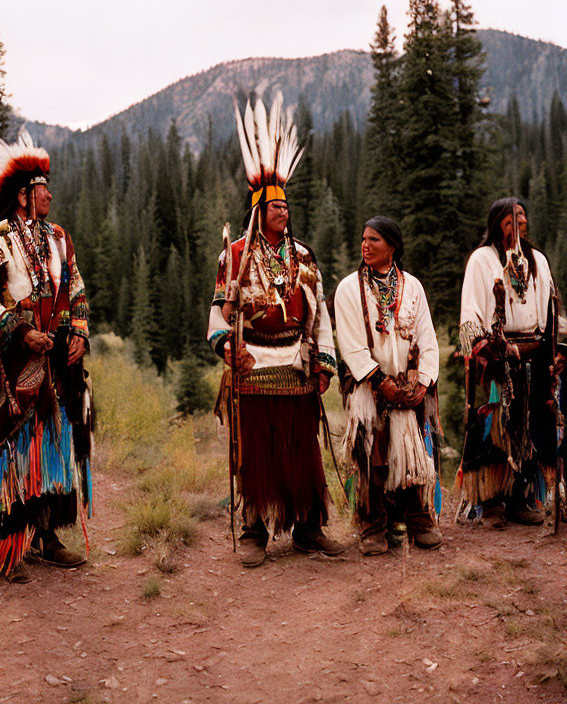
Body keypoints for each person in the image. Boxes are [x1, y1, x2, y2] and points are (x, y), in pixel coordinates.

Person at [208, 94, 343, 567]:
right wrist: (228, 346)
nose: (284, 211)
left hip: (296, 363)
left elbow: (319, 312)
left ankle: (308, 527)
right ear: (258, 211)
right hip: (253, 362)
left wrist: (324, 363)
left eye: (286, 205)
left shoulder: (303, 255)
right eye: (276, 207)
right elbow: (219, 310)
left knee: (302, 450)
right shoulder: (237, 253)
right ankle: (253, 531)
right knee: (255, 452)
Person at [0, 130, 93, 583]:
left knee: (54, 447)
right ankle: (11, 543)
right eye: (42, 188)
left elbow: (76, 289)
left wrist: (78, 330)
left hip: (56, 361)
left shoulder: (58, 238)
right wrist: (19, 331)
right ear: (22, 195)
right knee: (16, 450)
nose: (50, 194)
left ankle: (48, 536)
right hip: (14, 364)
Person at [335, 216, 443, 555]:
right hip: (370, 387)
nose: (365, 245)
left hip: (408, 386)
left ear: (393, 247)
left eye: (375, 240)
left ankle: (418, 518)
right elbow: (351, 344)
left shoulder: (412, 286)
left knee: (416, 456)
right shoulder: (349, 288)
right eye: (363, 238)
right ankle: (372, 525)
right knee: (371, 458)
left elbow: (427, 338)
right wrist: (379, 381)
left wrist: (423, 381)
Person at [458, 198, 560, 528]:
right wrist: (485, 345)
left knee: (530, 428)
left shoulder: (538, 260)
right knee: (493, 428)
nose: (518, 222)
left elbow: (551, 311)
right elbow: (470, 312)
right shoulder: (482, 259)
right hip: (497, 355)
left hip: (533, 352)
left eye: (522, 216)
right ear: (497, 223)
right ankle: (490, 503)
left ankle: (520, 498)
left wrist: (557, 345)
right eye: (510, 217)